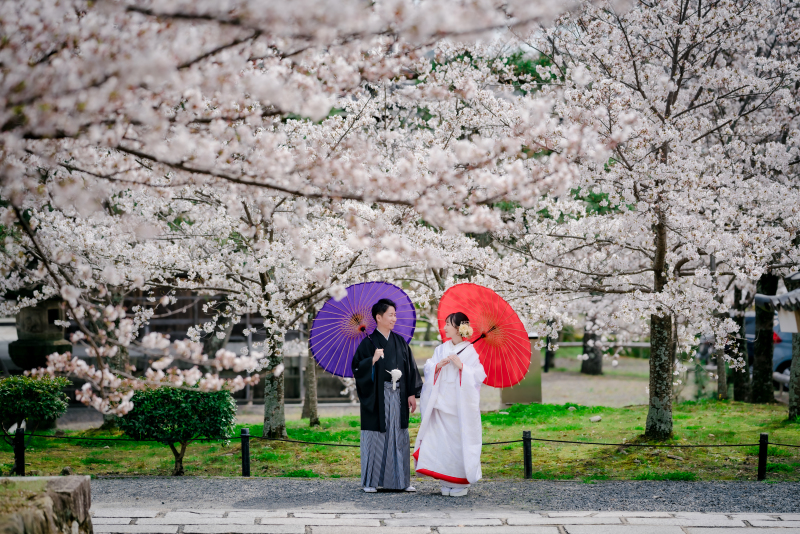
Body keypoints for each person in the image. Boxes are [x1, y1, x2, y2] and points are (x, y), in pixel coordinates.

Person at [351, 298, 422, 493]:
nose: (394, 318)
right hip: (377, 397)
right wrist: (371, 360)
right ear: (378, 317)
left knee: (398, 435)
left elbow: (410, 369)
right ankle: (370, 482)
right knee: (376, 437)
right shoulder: (368, 344)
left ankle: (400, 481)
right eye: (390, 315)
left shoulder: (400, 342)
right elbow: (356, 367)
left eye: (395, 315)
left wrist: (410, 394)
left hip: (398, 396)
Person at [413, 312, 485, 497]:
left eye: (448, 324)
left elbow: (478, 376)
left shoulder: (470, 351)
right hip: (441, 403)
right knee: (442, 444)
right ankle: (446, 481)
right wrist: (438, 365)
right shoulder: (441, 348)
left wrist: (463, 367)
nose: (444, 327)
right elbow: (429, 367)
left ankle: (460, 483)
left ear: (459, 328)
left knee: (458, 443)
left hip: (459, 406)